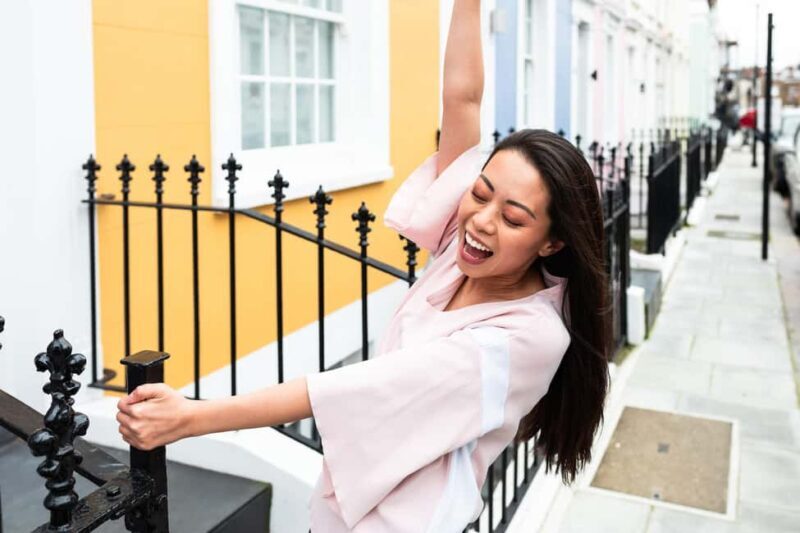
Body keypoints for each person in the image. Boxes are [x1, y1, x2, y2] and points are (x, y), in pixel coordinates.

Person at [116, 1, 610, 531]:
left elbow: (347, 390)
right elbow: (461, 99)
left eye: (513, 218)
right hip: (345, 507)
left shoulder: (524, 339)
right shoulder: (464, 255)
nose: (482, 221)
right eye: (480, 193)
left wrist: (191, 417)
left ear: (551, 243)